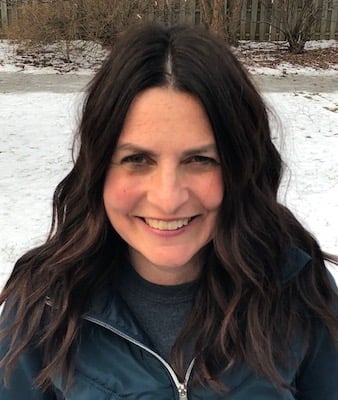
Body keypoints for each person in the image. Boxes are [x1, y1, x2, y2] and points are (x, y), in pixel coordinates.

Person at [0, 23, 337, 400]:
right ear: (97, 170)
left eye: (200, 159)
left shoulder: (299, 290)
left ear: (242, 167)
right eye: (137, 159)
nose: (168, 198)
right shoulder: (43, 305)